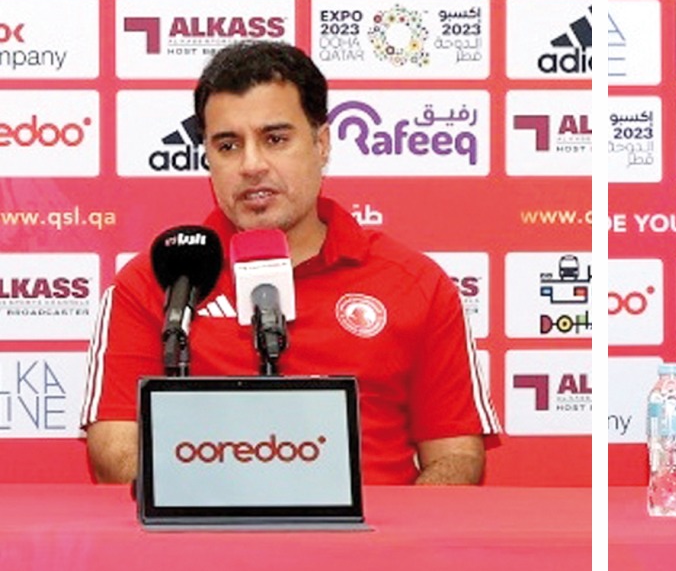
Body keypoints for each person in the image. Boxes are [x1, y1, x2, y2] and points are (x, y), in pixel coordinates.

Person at [80, 41, 500, 485]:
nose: (252, 165)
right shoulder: (156, 280)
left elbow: (457, 458)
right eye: (227, 145)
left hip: (369, 549)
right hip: (205, 547)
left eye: (275, 139)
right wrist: (215, 507)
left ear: (321, 143)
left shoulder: (415, 282)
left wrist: (387, 544)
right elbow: (114, 451)